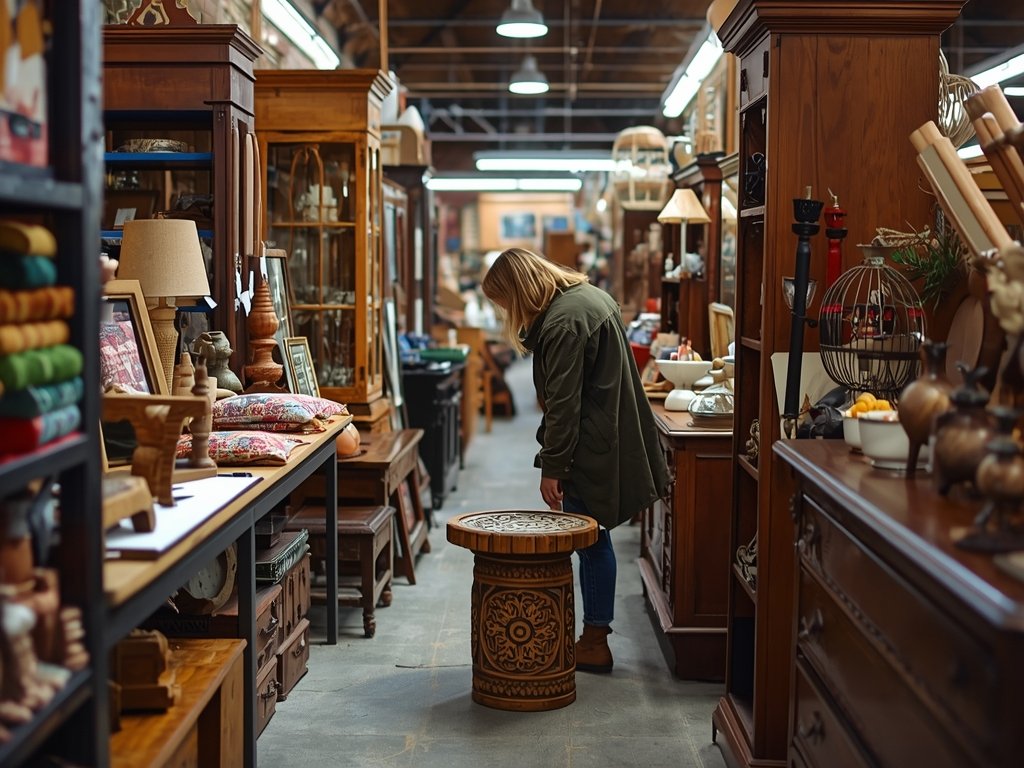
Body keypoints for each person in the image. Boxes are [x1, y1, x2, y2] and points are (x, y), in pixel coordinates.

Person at [481, 247, 670, 673]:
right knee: (592, 536)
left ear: (519, 289)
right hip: (607, 435)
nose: (507, 312)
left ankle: (595, 639)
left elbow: (564, 405)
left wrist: (553, 467)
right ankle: (591, 633)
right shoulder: (588, 297)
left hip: (591, 446)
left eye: (505, 302)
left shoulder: (565, 322)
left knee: (589, 539)